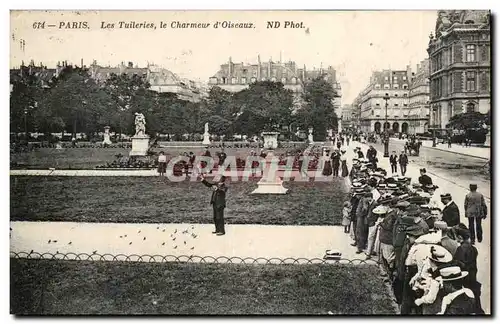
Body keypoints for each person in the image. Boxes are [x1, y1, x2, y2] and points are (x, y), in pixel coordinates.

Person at [453, 224, 484, 314]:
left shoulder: (460, 249)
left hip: (466, 277)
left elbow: (459, 263)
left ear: (460, 237)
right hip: (472, 275)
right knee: (475, 294)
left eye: (456, 237)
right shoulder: (473, 248)